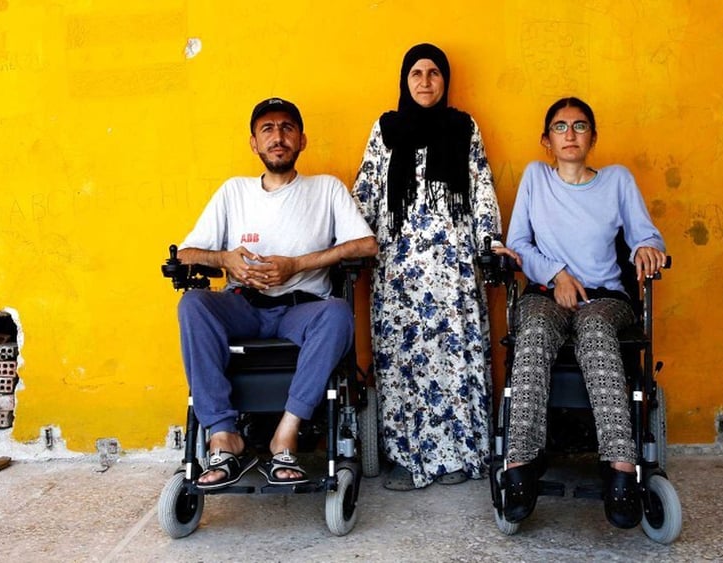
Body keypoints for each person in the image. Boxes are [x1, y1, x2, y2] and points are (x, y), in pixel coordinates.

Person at [176, 97, 377, 489]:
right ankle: (223, 434)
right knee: (193, 304)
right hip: (243, 305)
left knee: (338, 312)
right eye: (267, 129)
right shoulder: (233, 192)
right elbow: (185, 254)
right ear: (254, 143)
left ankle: (286, 434)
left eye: (287, 128)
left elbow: (367, 245)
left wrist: (297, 265)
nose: (278, 137)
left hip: (301, 310)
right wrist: (225, 259)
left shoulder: (326, 189)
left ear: (302, 140)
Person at [497, 97, 667, 528]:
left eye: (579, 126)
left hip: (605, 298)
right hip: (545, 292)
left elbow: (646, 234)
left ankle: (621, 468)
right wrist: (557, 275)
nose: (570, 134)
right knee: (534, 330)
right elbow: (518, 246)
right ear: (546, 140)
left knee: (593, 328)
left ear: (593, 136)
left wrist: (648, 247)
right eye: (560, 127)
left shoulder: (617, 180)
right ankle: (520, 464)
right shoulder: (536, 178)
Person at [352, 43, 504, 490]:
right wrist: (348, 242)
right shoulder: (386, 129)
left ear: (445, 80)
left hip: (453, 267)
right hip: (398, 270)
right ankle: (406, 458)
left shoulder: (463, 127)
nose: (424, 81)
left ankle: (457, 455)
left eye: (433, 73)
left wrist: (490, 242)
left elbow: (481, 187)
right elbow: (367, 189)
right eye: (416, 73)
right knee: (402, 360)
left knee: (454, 359)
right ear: (405, 80)